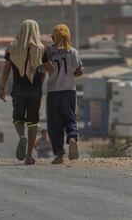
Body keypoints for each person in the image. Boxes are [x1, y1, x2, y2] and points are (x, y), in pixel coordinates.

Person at [0, 19, 56, 165]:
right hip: (35, 90)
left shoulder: (12, 47)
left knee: (18, 118)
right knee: (33, 122)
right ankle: (29, 155)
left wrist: (2, 87)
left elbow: (6, 70)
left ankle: (21, 136)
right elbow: (50, 69)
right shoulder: (41, 49)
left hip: (18, 89)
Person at [46, 24, 84, 163]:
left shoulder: (49, 51)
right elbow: (80, 71)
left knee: (54, 122)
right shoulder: (72, 51)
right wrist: (71, 75)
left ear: (53, 37)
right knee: (70, 116)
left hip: (53, 91)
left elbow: (44, 69)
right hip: (69, 90)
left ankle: (59, 153)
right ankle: (73, 137)